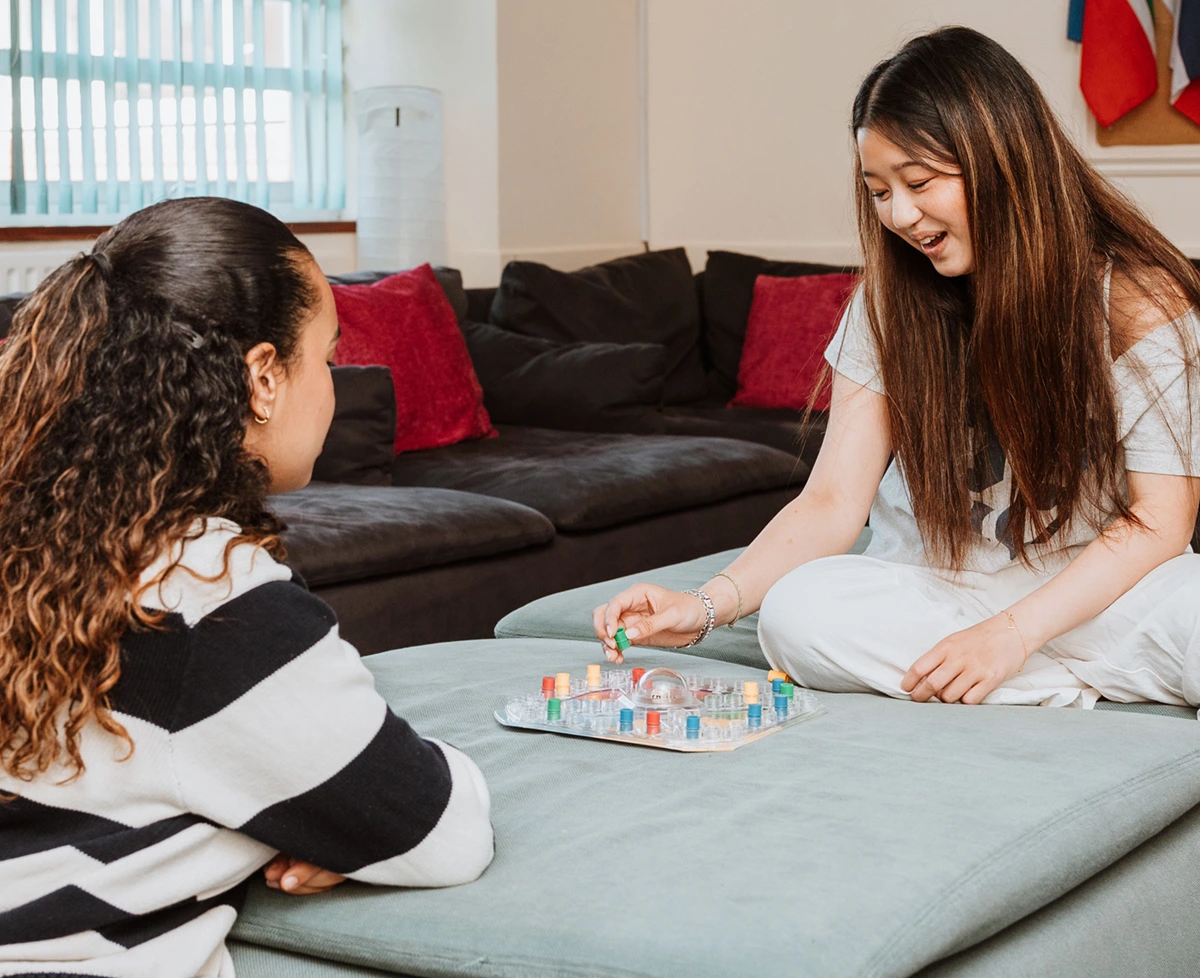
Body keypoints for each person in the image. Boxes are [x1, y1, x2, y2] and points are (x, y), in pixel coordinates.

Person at [594, 26, 1200, 710]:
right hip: (939, 590)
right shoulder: (887, 300)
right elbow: (831, 503)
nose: (900, 216)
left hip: (1095, 592)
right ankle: (1058, 680)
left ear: (1003, 158)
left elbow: (1161, 522)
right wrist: (703, 608)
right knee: (797, 616)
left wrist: (1012, 635)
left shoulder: (1139, 300)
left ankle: (1007, 675)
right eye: (878, 191)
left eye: (918, 182)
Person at [0, 198, 494, 978]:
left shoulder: (37, 545)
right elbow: (441, 830)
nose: (333, 386)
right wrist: (289, 819)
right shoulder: (207, 597)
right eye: (326, 357)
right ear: (263, 377)